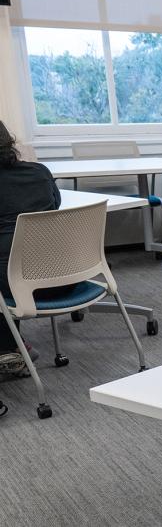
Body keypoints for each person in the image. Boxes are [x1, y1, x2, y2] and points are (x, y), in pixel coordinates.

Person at [0, 120, 58, 375]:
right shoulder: (40, 172)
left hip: (17, 284)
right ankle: (13, 347)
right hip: (62, 275)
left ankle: (9, 351)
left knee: (6, 264)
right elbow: (55, 208)